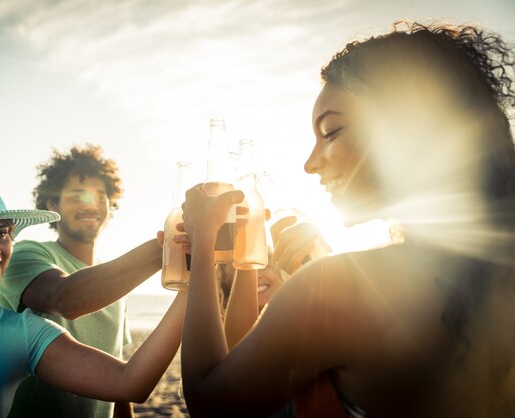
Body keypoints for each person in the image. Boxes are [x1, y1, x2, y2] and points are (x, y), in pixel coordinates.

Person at [179, 21, 515, 417]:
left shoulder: (335, 291)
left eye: (331, 131)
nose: (309, 163)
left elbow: (209, 401)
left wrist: (203, 243)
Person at [0, 178, 186, 418]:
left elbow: (129, 382)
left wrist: (190, 284)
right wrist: (161, 251)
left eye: (2, 233)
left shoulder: (24, 333)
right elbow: (67, 297)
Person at [0, 144, 163, 418]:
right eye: (77, 196)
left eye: (101, 196)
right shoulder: (27, 253)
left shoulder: (112, 280)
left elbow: (118, 374)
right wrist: (164, 248)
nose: (91, 204)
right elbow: (66, 299)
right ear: (52, 204)